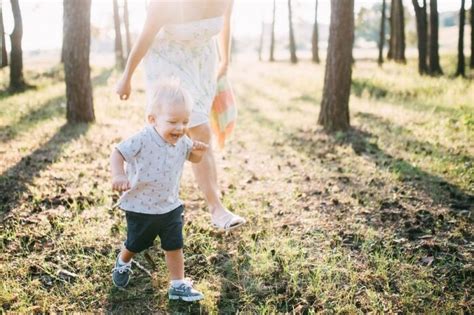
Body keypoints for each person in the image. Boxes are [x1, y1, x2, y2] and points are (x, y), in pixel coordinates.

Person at [115, 0, 245, 231]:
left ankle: (212, 208)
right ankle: (211, 208)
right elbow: (144, 38)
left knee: (198, 132)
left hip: (202, 63)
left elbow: (226, 21)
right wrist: (126, 77)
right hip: (167, 62)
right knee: (180, 131)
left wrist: (225, 58)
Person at [110, 80, 208, 301]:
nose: (180, 128)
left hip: (169, 205)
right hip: (141, 206)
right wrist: (118, 174)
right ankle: (123, 261)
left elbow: (191, 157)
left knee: (174, 244)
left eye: (185, 122)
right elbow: (118, 152)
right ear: (152, 120)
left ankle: (177, 284)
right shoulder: (143, 138)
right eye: (173, 121)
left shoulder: (182, 141)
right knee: (135, 243)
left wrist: (199, 154)